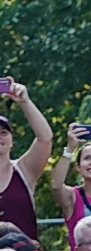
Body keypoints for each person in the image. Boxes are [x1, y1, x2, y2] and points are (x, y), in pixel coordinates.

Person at [0, 81, 55, 240]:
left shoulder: (23, 170)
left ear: (12, 141)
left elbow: (45, 138)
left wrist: (25, 102)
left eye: (4, 132)